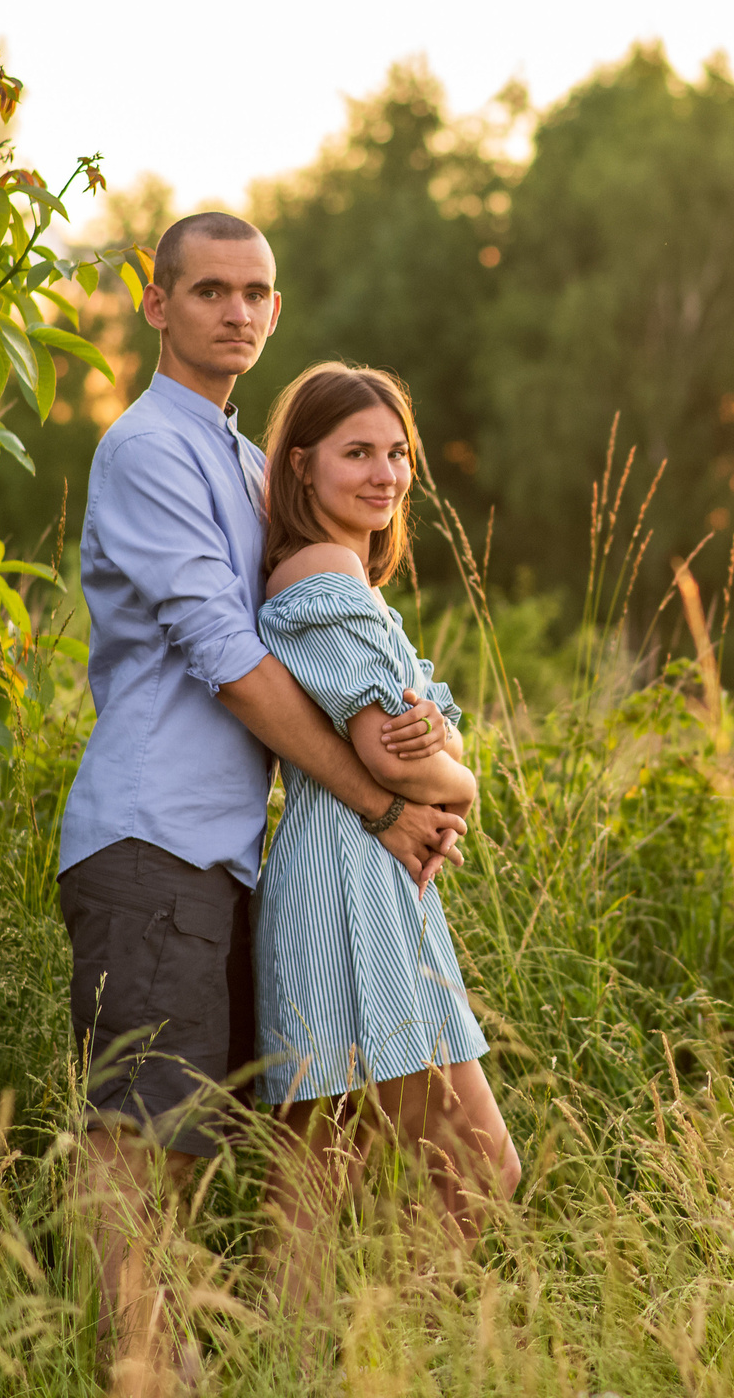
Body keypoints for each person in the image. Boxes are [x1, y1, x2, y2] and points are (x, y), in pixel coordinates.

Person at [53, 212, 461, 1394]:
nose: (236, 311)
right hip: (151, 836)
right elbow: (226, 657)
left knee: (194, 1136)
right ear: (158, 304)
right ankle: (139, 1369)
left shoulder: (237, 458)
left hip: (227, 855)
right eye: (210, 290)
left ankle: (203, 1360)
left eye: (256, 294)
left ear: (276, 313)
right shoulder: (147, 448)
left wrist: (415, 749)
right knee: (140, 1133)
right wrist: (377, 805)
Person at [251, 363, 520, 1307]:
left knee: (317, 1184)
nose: (386, 474)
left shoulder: (338, 579)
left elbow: (397, 750)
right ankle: (385, 1350)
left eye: (398, 453)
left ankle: (305, 1362)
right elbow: (400, 762)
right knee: (481, 1172)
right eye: (357, 452)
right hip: (348, 884)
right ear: (299, 467)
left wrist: (437, 752)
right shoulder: (327, 577)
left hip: (351, 876)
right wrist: (467, 776)